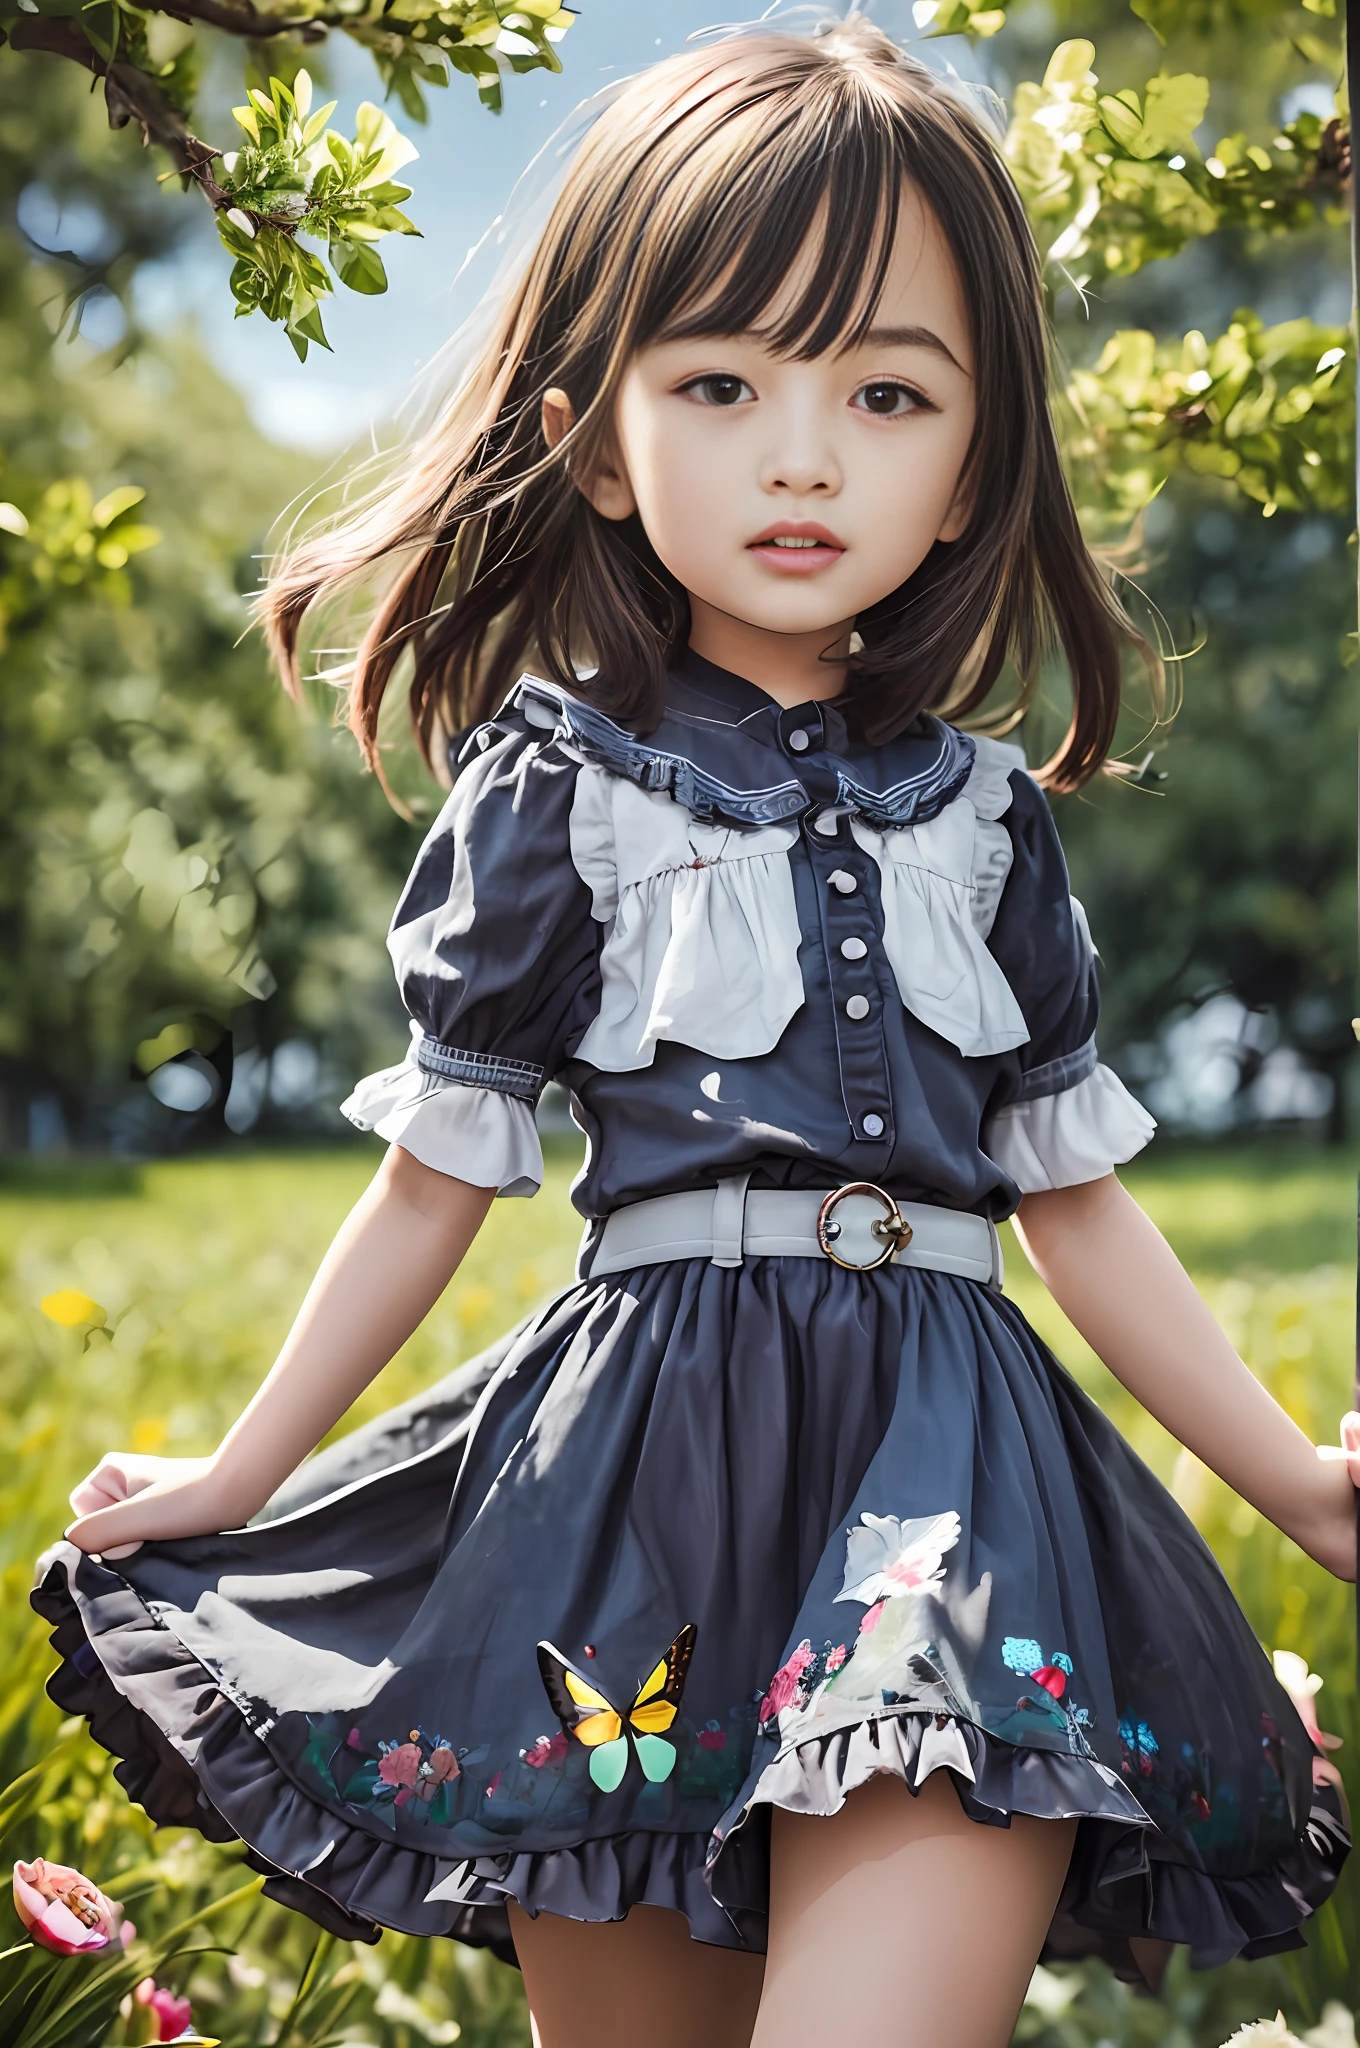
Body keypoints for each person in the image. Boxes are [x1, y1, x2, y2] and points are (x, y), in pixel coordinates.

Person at [34, 19, 1358, 2047]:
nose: (803, 454)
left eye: (884, 390)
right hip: (623, 1501)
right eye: (721, 383)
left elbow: (1074, 1203)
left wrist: (1300, 1490)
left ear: (974, 457)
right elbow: (430, 1180)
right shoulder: (555, 786)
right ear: (594, 438)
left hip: (948, 1493)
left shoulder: (985, 820)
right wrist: (240, 1463)